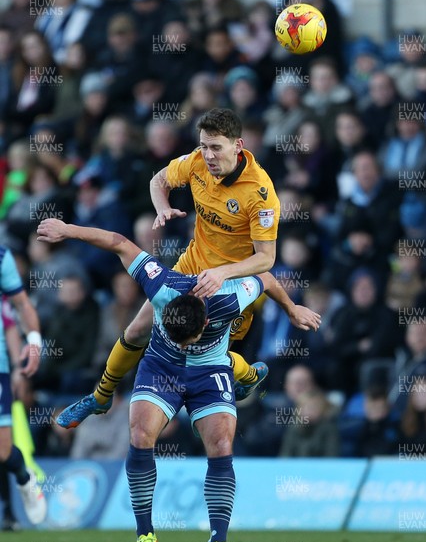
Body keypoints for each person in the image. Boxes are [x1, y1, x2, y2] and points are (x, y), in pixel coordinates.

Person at [36, 216, 317, 542]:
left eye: (191, 340)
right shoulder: (162, 285)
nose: (187, 344)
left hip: (208, 372)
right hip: (161, 369)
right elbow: (117, 240)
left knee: (222, 444)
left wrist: (291, 310)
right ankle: (146, 538)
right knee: (139, 435)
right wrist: (69, 230)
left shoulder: (229, 298)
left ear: (203, 324)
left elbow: (267, 278)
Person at [73, 108, 321, 425]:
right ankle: (100, 397)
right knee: (137, 329)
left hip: (230, 280)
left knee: (204, 354)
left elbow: (265, 260)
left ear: (238, 145)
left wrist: (224, 274)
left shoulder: (261, 195)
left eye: (216, 147)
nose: (208, 154)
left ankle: (246, 376)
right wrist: (162, 208)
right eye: (204, 145)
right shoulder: (196, 162)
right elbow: (158, 180)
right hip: (190, 266)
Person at [0, 245, 46, 526]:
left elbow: (20, 305)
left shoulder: (2, 257)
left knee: (3, 450)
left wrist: (35, 343)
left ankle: (24, 477)